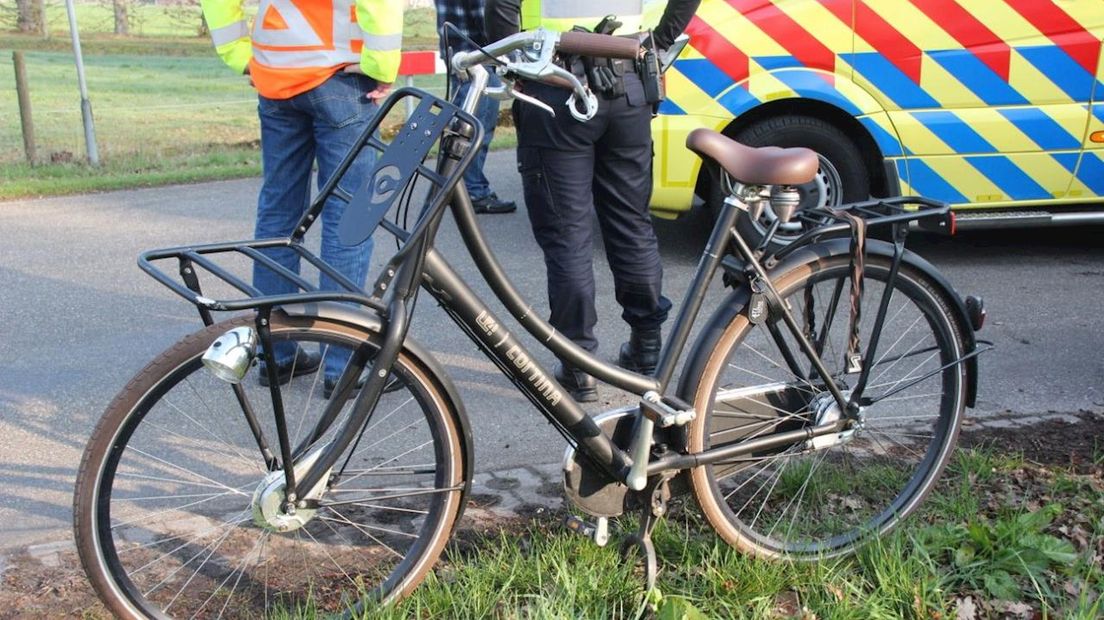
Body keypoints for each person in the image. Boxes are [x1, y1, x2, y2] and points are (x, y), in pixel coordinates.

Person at [485, 0, 699, 402]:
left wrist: (510, 59)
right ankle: (646, 348)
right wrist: (657, 42)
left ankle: (579, 364)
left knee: (568, 237)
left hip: (553, 82)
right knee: (630, 223)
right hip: (627, 78)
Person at [200, 0, 402, 398]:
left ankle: (277, 354)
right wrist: (381, 65)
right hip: (341, 78)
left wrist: (241, 57)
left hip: (276, 75)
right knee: (349, 219)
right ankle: (342, 366)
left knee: (278, 214)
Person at [435, 0, 517, 214]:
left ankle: (461, 188)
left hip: (462, 56)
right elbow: (489, 19)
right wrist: (512, 57)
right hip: (479, 58)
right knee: (476, 130)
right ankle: (474, 191)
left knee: (464, 128)